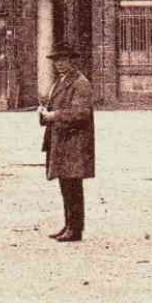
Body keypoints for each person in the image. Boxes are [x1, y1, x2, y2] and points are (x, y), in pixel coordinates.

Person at [38, 46, 94, 242]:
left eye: (63, 60)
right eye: (56, 60)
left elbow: (82, 113)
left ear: (72, 61)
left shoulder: (80, 83)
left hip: (74, 142)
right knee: (65, 184)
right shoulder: (61, 81)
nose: (59, 64)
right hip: (61, 140)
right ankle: (68, 225)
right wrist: (45, 112)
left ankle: (75, 229)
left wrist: (54, 115)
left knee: (73, 185)